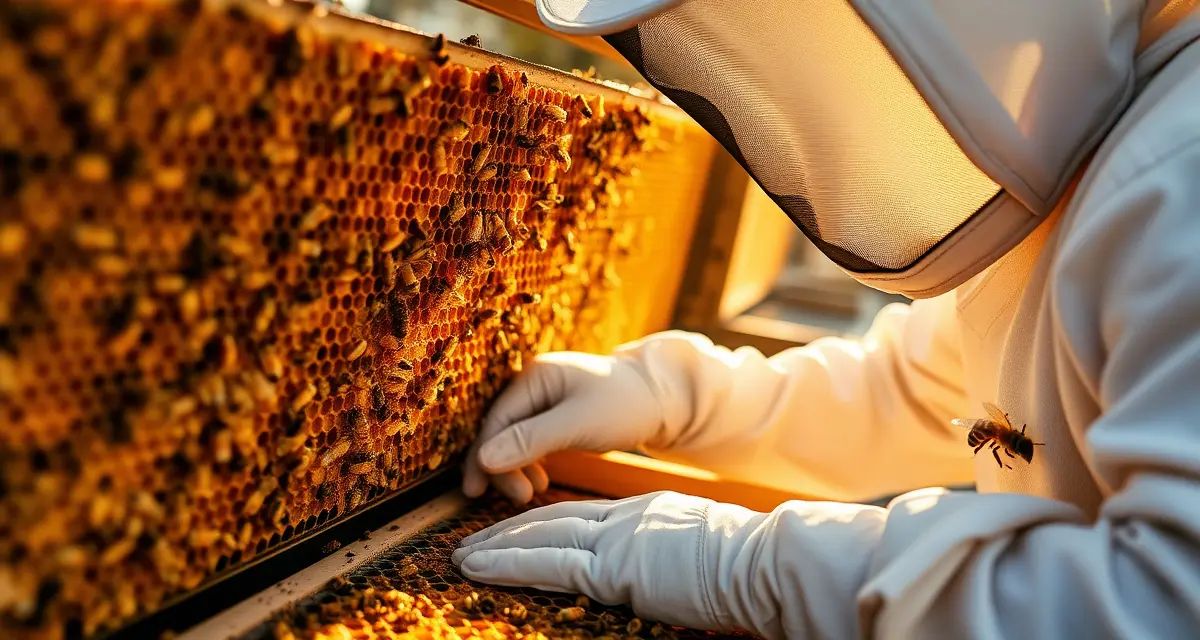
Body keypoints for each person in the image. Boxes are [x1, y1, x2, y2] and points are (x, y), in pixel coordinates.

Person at [451, 1, 1200, 638]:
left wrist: (758, 569)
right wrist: (684, 397)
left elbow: (1160, 602)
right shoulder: (1114, 112)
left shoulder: (1181, 162)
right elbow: (926, 394)